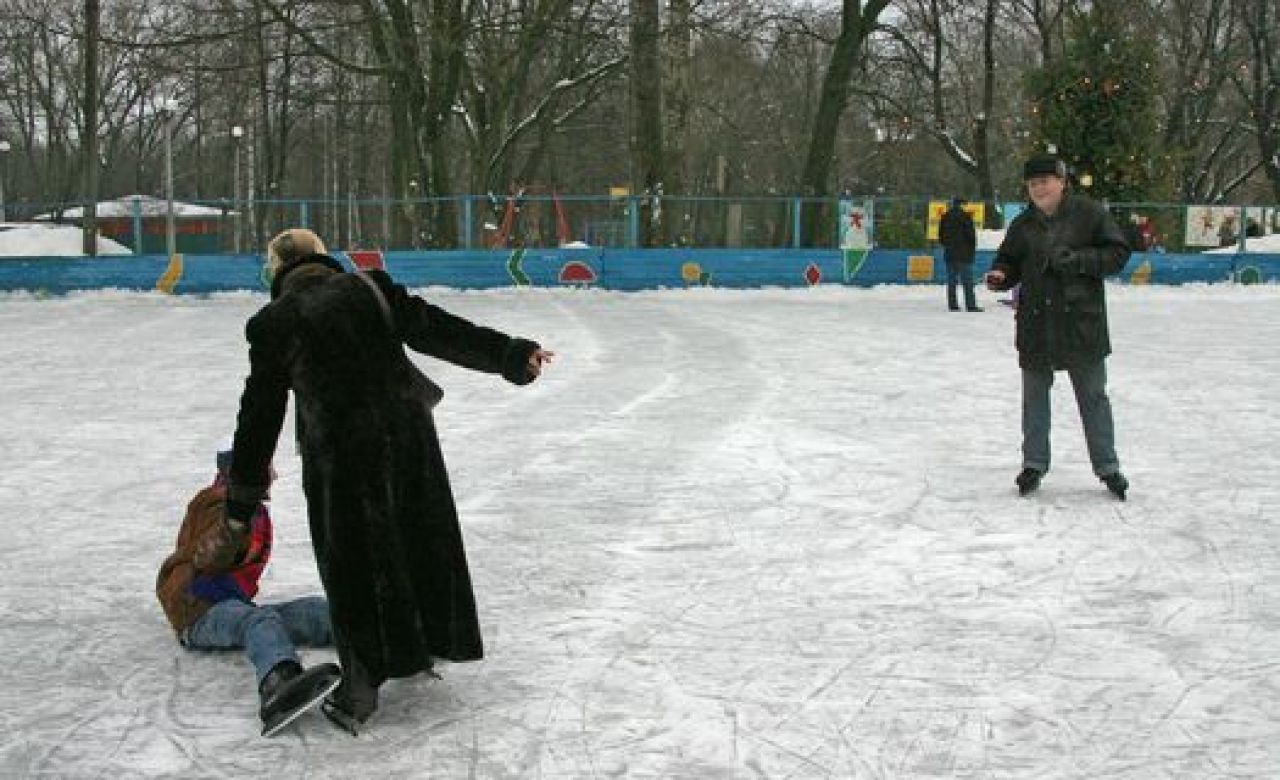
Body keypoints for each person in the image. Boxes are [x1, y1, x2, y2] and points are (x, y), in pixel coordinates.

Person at [222, 228, 554, 735]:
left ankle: (360, 689)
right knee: (419, 539)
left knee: (352, 563)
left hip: (342, 454)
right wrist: (511, 355)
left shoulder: (274, 322)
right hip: (409, 436)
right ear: (322, 258)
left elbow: (260, 414)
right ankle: (422, 648)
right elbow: (438, 329)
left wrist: (241, 500)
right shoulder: (370, 287)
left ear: (278, 271)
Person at [157, 448, 339, 736]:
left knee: (314, 609)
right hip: (198, 611)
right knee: (259, 621)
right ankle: (277, 684)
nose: (272, 477)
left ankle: (379, 636)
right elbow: (209, 555)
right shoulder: (216, 503)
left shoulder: (246, 507)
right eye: (266, 471)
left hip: (230, 602)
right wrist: (233, 531)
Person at [984, 153, 1131, 500]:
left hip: (1082, 325)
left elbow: (1118, 252)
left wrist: (1080, 261)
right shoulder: (1023, 225)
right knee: (1034, 400)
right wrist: (1001, 275)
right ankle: (1033, 463)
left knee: (1093, 398)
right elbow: (1009, 259)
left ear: (1062, 182)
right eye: (1033, 184)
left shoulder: (1090, 215)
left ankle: (1108, 467)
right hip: (1037, 326)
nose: (1039, 189)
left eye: (1045, 181)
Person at [938, 196, 981, 312]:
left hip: (949, 254)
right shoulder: (966, 217)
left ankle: (953, 305)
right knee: (967, 282)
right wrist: (972, 249)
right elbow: (971, 237)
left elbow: (941, 236)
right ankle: (971, 305)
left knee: (952, 281)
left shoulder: (945, 217)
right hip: (964, 254)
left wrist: (947, 245)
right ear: (962, 204)